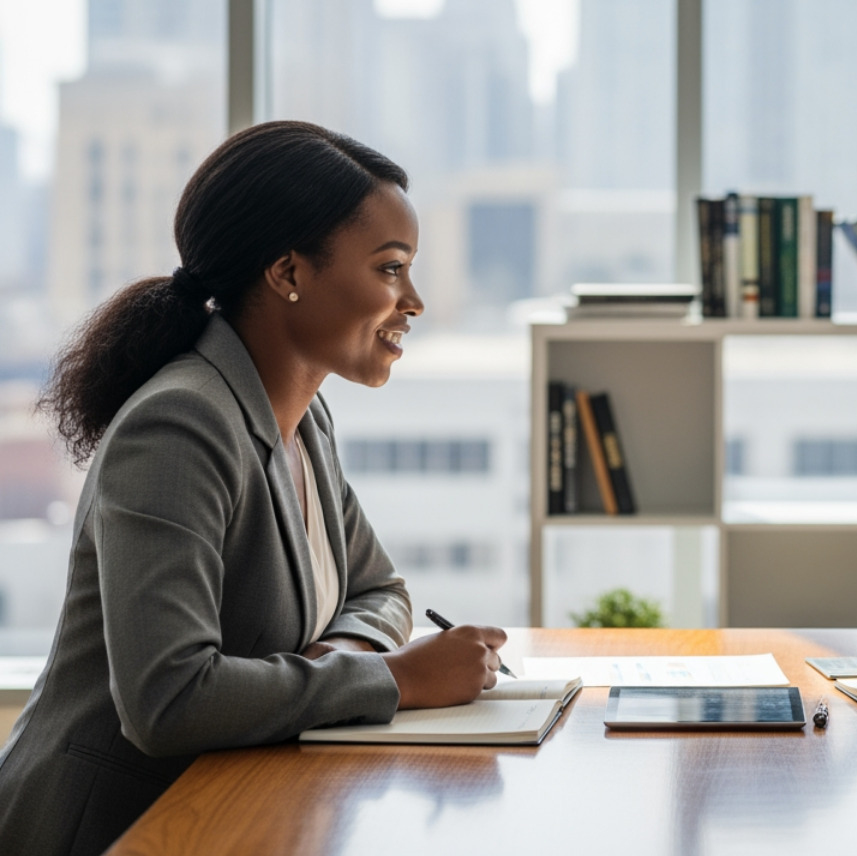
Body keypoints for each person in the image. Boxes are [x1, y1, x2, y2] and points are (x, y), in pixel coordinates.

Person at [0, 121, 507, 856]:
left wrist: (339, 660)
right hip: (110, 830)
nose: (415, 301)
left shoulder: (304, 418)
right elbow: (168, 700)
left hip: (231, 807)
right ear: (289, 273)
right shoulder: (180, 426)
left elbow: (382, 591)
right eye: (391, 269)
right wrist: (392, 679)